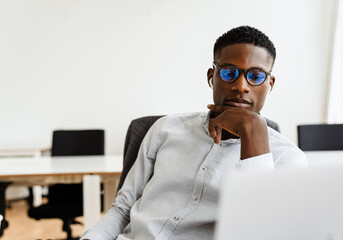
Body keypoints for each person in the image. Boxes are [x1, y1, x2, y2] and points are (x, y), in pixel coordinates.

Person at [81, 26, 307, 240]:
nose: (241, 86)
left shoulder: (287, 159)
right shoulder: (165, 128)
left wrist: (254, 133)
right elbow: (122, 209)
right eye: (229, 73)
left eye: (256, 76)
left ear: (270, 84)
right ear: (211, 77)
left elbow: (262, 232)